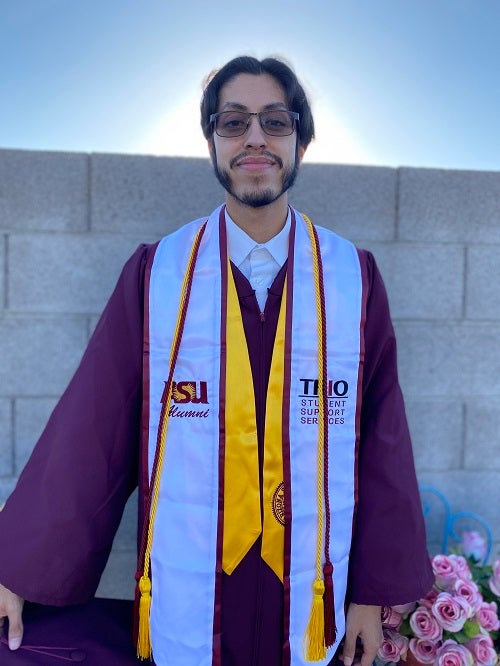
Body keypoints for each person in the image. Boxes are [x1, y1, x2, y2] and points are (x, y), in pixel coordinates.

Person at [0, 56, 433, 666]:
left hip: (308, 594)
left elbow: (382, 443)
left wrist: (368, 595)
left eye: (275, 121)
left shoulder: (351, 279)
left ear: (301, 140)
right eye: (233, 122)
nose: (255, 137)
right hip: (192, 594)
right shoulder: (157, 274)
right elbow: (94, 428)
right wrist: (21, 566)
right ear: (212, 141)